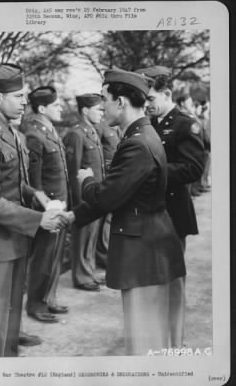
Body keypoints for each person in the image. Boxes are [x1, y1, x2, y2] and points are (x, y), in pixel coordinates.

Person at [65, 69, 186, 355]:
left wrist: (86, 182)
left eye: (105, 99)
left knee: (145, 348)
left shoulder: (137, 143)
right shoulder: (143, 134)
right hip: (151, 249)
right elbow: (122, 194)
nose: (102, 106)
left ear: (120, 102)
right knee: (150, 343)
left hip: (144, 253)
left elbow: (108, 197)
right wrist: (74, 217)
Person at [0, 63, 66, 357]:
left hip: (14, 238)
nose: (23, 102)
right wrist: (38, 219)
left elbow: (15, 184)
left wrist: (38, 196)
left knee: (11, 322)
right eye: (18, 96)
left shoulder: (11, 133)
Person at [136, 65, 205, 347]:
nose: (147, 104)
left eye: (150, 98)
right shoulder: (150, 124)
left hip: (173, 214)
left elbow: (193, 168)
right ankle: (157, 337)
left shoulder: (184, 124)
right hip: (150, 214)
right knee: (152, 279)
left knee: (173, 282)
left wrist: (154, 171)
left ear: (166, 94)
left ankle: (175, 343)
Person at [23, 86, 70, 323]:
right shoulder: (34, 135)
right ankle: (36, 304)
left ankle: (48, 298)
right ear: (42, 108)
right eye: (56, 105)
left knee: (55, 255)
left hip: (59, 204)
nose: (60, 108)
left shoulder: (50, 131)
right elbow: (35, 181)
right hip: (47, 207)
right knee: (43, 256)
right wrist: (48, 207)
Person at [63, 94, 105, 291]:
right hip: (84, 198)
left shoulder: (93, 132)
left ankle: (89, 272)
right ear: (85, 110)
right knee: (83, 237)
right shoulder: (76, 134)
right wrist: (79, 202)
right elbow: (73, 171)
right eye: (98, 109)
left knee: (92, 237)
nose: (102, 113)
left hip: (94, 194)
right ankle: (81, 276)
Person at [94, 121, 121, 269]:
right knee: (103, 221)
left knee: (110, 219)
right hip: (104, 178)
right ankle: (102, 255)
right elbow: (96, 153)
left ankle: (107, 253)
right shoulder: (100, 127)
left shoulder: (119, 128)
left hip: (115, 178)